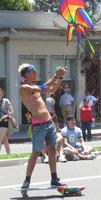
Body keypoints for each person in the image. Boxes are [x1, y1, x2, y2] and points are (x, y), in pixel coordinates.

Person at [18, 63, 67, 193]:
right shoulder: (24, 88)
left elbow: (52, 89)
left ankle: (54, 178)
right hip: (38, 125)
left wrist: (60, 77)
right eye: (34, 71)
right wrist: (55, 75)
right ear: (27, 73)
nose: (36, 73)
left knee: (52, 151)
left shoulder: (34, 87)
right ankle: (27, 180)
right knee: (35, 153)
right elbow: (43, 87)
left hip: (49, 123)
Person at [0, 87, 13, 153]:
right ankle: (9, 154)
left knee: (0, 138)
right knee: (4, 139)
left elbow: (11, 111)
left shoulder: (6, 101)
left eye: (0, 92)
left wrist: (3, 117)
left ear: (2, 93)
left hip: (4, 122)